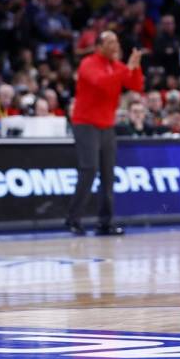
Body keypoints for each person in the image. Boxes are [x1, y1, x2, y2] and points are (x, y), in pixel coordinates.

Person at [65, 31, 143, 236]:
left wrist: (135, 67)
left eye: (116, 41)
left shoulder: (116, 66)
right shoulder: (88, 64)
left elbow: (136, 85)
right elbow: (101, 82)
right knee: (89, 169)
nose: (115, 45)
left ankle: (105, 223)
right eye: (110, 42)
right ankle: (74, 219)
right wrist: (127, 68)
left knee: (108, 175)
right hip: (85, 124)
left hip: (106, 125)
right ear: (99, 46)